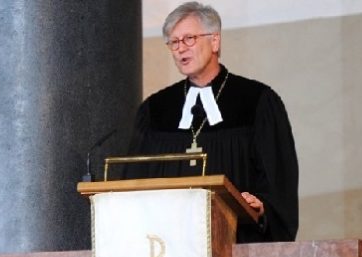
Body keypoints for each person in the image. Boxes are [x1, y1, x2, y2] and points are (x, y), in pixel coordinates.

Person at [124, 1, 298, 243]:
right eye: (174, 42)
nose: (180, 49)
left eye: (189, 39)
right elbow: (134, 181)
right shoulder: (155, 110)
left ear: (215, 41)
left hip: (236, 246)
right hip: (169, 248)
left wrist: (262, 206)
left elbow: (278, 181)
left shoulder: (256, 101)